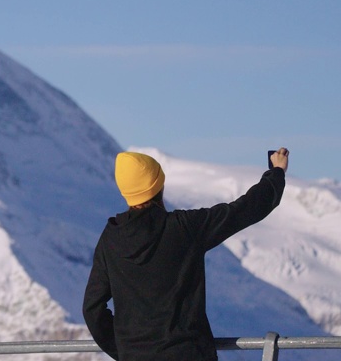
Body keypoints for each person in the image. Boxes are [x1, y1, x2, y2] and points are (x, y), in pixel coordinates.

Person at [82, 148, 290, 361]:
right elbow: (245, 209)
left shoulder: (111, 239)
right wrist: (276, 172)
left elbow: (92, 309)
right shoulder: (183, 228)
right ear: (159, 187)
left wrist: (126, 351)